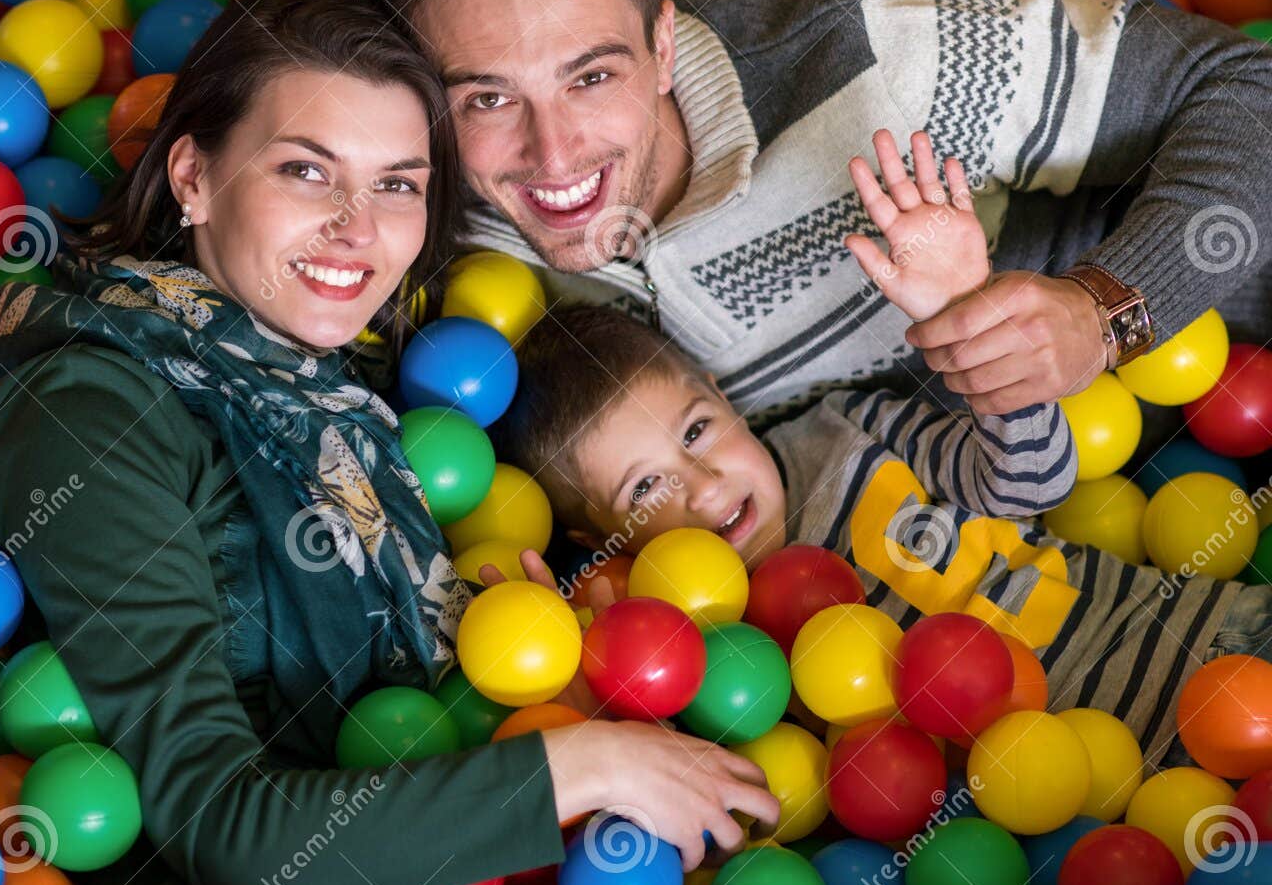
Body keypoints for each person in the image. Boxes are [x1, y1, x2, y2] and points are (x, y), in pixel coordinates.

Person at [0, 0, 778, 885]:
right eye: (306, 170)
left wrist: (530, 665)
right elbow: (224, 832)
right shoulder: (91, 410)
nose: (357, 227)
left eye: (397, 183)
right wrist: (588, 765)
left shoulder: (346, 380)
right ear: (194, 177)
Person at [382, 0, 1272, 425]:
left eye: (591, 77)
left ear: (660, 44)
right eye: (487, 100)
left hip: (1153, 382)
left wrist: (1102, 310)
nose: (554, 153)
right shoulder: (400, 180)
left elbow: (1243, 86)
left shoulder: (897, 31)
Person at [493, 128, 1272, 768]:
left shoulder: (847, 431)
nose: (701, 482)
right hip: (1078, 804)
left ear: (723, 398)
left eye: (697, 431)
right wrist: (576, 661)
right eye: (644, 491)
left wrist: (972, 316)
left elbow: (1030, 481)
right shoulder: (689, 643)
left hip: (1209, 646)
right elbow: (690, 770)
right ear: (605, 544)